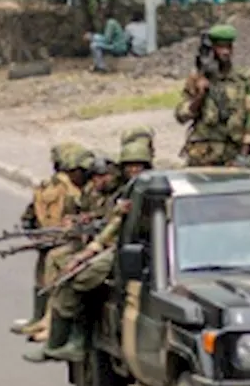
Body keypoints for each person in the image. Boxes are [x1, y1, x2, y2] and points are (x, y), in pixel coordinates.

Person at [24, 127, 155, 364]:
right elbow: (113, 223)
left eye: (140, 165)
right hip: (116, 246)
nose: (134, 170)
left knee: (81, 278)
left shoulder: (153, 190)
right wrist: (92, 247)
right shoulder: (127, 191)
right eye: (130, 166)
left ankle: (71, 338)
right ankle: (57, 336)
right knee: (70, 271)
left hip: (140, 251)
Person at [9, 143, 90, 337]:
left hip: (73, 243)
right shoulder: (57, 188)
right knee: (42, 272)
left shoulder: (83, 191)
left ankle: (49, 321)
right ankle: (40, 318)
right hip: (54, 238)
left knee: (55, 271)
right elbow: (33, 213)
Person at [174, 23, 250, 167]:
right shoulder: (197, 78)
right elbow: (181, 116)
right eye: (221, 47)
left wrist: (245, 152)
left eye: (229, 47)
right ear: (212, 50)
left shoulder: (243, 80)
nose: (226, 52)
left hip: (233, 153)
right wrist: (200, 96)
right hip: (203, 155)